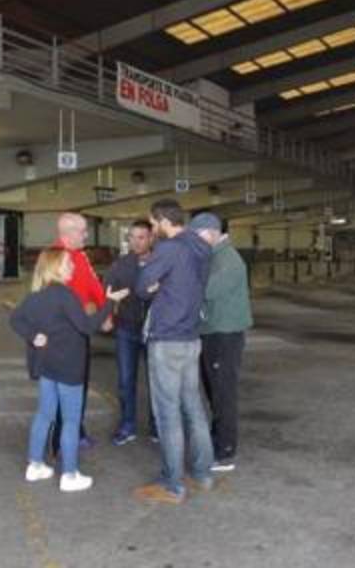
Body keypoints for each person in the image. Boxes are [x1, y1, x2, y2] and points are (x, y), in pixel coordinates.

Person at [10, 247, 128, 493]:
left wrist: (34, 336)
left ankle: (35, 465)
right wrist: (110, 303)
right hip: (68, 366)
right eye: (67, 263)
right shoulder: (65, 295)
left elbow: (15, 319)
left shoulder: (36, 296)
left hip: (46, 365)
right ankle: (70, 474)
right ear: (55, 267)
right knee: (72, 421)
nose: (72, 267)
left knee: (45, 415)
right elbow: (87, 326)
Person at [133, 199, 215, 505]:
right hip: (191, 337)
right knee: (193, 407)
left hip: (166, 338)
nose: (152, 230)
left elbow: (142, 286)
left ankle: (172, 484)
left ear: (162, 221)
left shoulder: (169, 248)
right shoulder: (202, 248)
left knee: (167, 413)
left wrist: (153, 283)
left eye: (153, 225)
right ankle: (203, 473)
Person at [192, 214, 253, 473]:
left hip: (224, 335)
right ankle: (217, 441)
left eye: (197, 235)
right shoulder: (217, 256)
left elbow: (205, 291)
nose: (195, 241)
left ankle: (224, 451)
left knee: (222, 393)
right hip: (214, 332)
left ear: (212, 233)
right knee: (214, 390)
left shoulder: (228, 260)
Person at [50, 212, 107, 452]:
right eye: (83, 231)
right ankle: (60, 442)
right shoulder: (55, 259)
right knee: (66, 389)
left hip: (80, 332)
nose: (86, 234)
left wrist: (106, 313)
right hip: (63, 336)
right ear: (68, 233)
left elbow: (94, 288)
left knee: (79, 385)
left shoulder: (80, 257)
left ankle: (76, 431)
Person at [104, 219, 158, 446]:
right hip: (126, 329)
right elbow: (107, 294)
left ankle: (157, 426)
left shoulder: (161, 263)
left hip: (156, 331)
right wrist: (107, 317)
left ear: (151, 238)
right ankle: (128, 425)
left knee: (157, 381)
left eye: (141, 237)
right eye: (132, 237)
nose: (136, 242)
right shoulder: (120, 265)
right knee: (126, 380)